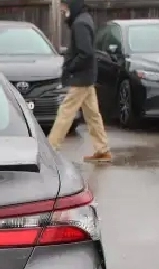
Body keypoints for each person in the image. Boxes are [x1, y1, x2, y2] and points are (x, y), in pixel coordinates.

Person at [47, 0, 112, 162]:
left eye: (64, 6)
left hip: (81, 77)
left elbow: (85, 53)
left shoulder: (80, 24)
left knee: (65, 111)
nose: (62, 10)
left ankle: (51, 148)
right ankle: (102, 149)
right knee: (92, 114)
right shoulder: (84, 19)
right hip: (87, 76)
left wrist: (71, 67)